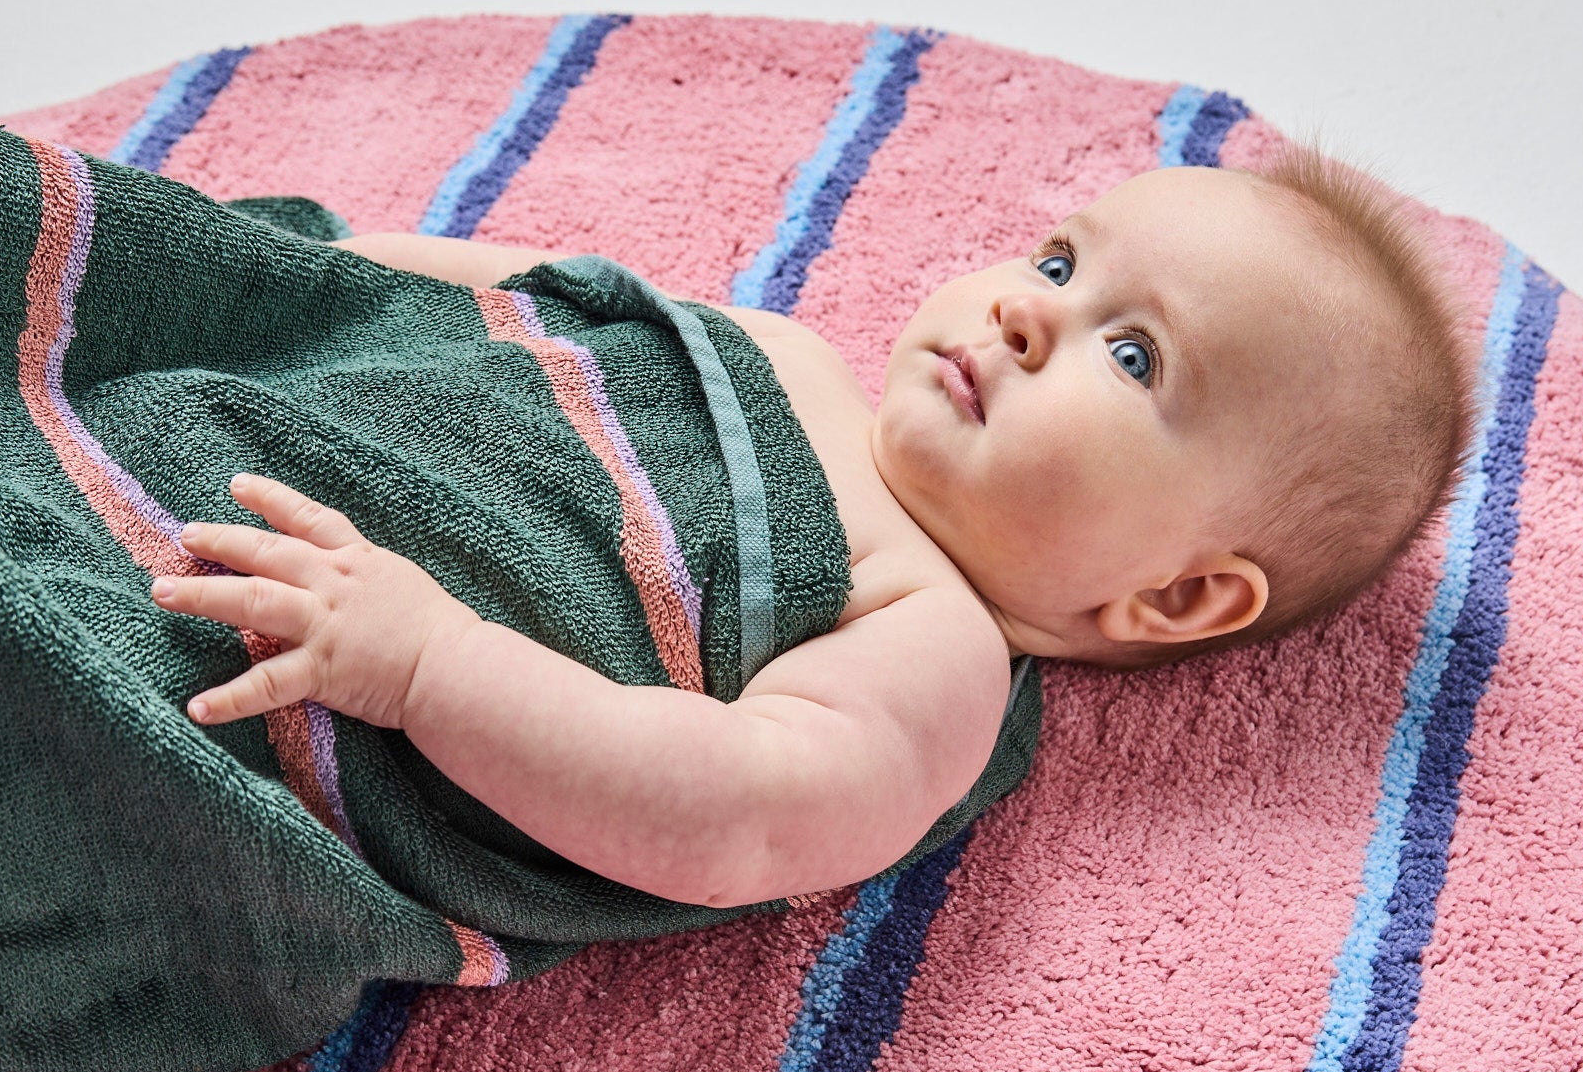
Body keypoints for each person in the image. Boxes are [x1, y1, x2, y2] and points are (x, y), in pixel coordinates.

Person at [155, 151, 1472, 911]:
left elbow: (742, 815)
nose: (1026, 312)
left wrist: (431, 664)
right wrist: (274, 271)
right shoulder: (789, 357)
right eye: (1060, 265)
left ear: (1177, 599)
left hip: (266, 639)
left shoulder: (934, 643)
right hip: (243, 413)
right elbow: (534, 295)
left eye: (1132, 355)